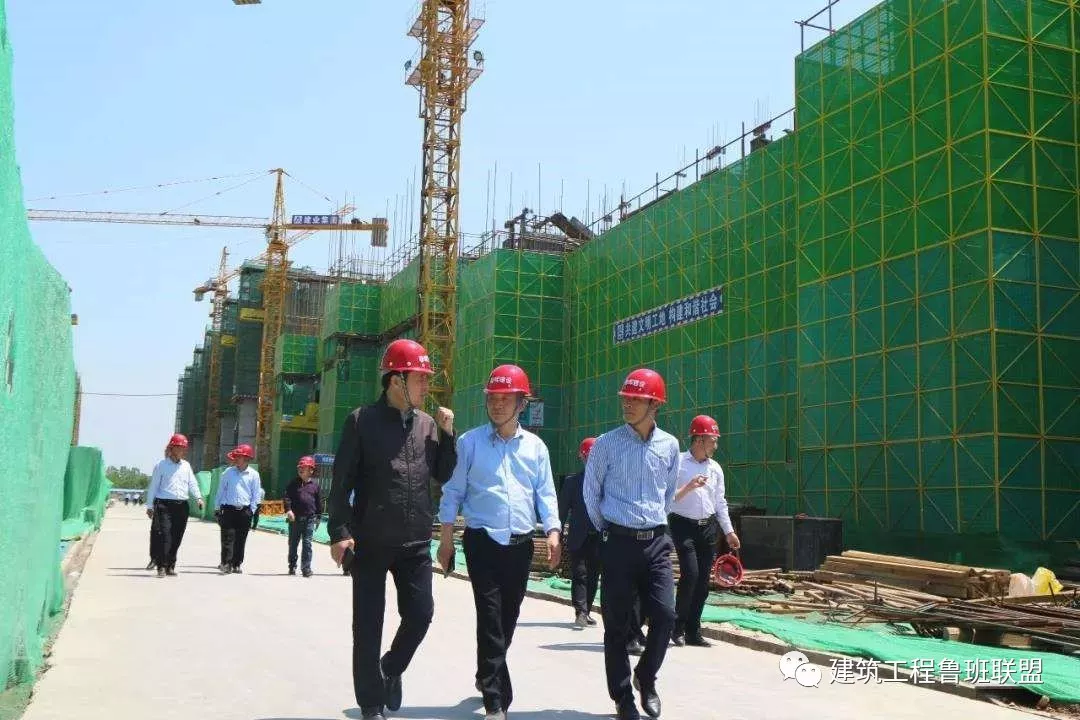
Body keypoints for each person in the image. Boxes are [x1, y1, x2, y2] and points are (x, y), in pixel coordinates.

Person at [327, 339, 457, 720]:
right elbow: (341, 482)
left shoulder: (427, 425)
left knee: (421, 614)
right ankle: (370, 703)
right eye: (420, 378)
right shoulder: (361, 421)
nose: (426, 385)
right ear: (397, 380)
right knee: (368, 626)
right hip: (370, 540)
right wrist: (339, 531)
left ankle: (391, 667)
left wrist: (448, 435)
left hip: (415, 541)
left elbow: (443, 473)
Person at [437, 365, 561, 720]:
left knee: (508, 617)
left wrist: (554, 532)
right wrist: (446, 540)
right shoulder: (470, 443)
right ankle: (495, 698)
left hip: (520, 546)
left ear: (522, 403)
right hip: (482, 543)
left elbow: (546, 493)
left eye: (506, 398)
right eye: (493, 398)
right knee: (490, 617)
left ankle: (485, 672)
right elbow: (453, 492)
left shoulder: (536, 448)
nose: (497, 404)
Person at [584, 368, 680, 720]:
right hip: (618, 543)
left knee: (666, 615)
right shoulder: (606, 444)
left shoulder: (670, 446)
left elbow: (667, 494)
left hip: (655, 543)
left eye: (636, 399)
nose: (627, 404)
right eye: (625, 398)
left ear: (655, 404)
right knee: (616, 625)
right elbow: (591, 494)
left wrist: (652, 525)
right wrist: (609, 531)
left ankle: (646, 676)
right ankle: (622, 696)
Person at [669, 414, 740, 648]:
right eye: (713, 440)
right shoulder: (678, 463)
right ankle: (677, 628)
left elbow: (720, 502)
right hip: (682, 525)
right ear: (699, 439)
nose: (716, 445)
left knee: (702, 582)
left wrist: (729, 531)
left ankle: (693, 631)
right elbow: (668, 498)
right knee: (690, 575)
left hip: (708, 528)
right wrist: (689, 487)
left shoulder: (715, 468)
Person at [145, 434, 205, 578]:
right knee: (164, 536)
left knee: (177, 537)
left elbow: (192, 483)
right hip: (164, 505)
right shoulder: (161, 465)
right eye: (178, 448)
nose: (181, 451)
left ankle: (170, 566)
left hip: (182, 506)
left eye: (183, 448)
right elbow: (153, 486)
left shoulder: (186, 466)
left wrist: (198, 497)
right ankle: (161, 566)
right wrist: (149, 506)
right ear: (171, 448)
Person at [558, 436, 601, 628]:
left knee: (593, 575)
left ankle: (587, 610)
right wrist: (556, 535)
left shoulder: (605, 482)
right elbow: (561, 511)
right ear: (582, 457)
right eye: (589, 456)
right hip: (579, 536)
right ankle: (580, 611)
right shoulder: (572, 482)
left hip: (599, 536)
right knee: (580, 573)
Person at [214, 443, 262, 574]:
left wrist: (251, 511)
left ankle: (236, 564)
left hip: (245, 511)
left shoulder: (254, 475)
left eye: (239, 456)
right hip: (228, 510)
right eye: (236, 456)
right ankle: (226, 563)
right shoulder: (228, 473)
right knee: (227, 538)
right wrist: (217, 507)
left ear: (246, 458)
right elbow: (220, 490)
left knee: (241, 539)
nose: (236, 459)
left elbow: (256, 495)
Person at [284, 455, 322, 577]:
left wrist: (318, 517)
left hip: (309, 519)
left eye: (303, 467)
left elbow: (318, 502)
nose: (300, 469)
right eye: (299, 467)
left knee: (307, 544)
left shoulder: (315, 485)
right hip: (295, 519)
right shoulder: (293, 484)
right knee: (293, 543)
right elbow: (287, 498)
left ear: (311, 470)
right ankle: (292, 565)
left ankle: (306, 568)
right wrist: (288, 510)